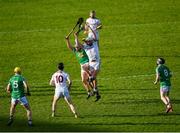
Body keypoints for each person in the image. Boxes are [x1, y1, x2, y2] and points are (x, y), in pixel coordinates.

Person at [75, 24, 101, 102]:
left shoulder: (95, 43)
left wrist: (90, 28)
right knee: (89, 78)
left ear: (90, 41)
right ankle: (96, 91)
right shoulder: (85, 46)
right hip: (90, 63)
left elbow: (94, 35)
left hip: (97, 62)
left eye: (87, 40)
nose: (86, 41)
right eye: (86, 41)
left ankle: (95, 90)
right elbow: (77, 45)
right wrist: (76, 36)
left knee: (92, 78)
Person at [65, 34, 94, 99]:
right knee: (83, 80)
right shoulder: (75, 51)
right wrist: (67, 40)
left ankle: (94, 88)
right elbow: (70, 47)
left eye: (77, 47)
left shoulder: (83, 49)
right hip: (82, 66)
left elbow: (77, 43)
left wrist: (76, 37)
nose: (76, 47)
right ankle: (89, 92)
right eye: (75, 47)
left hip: (87, 64)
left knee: (89, 79)